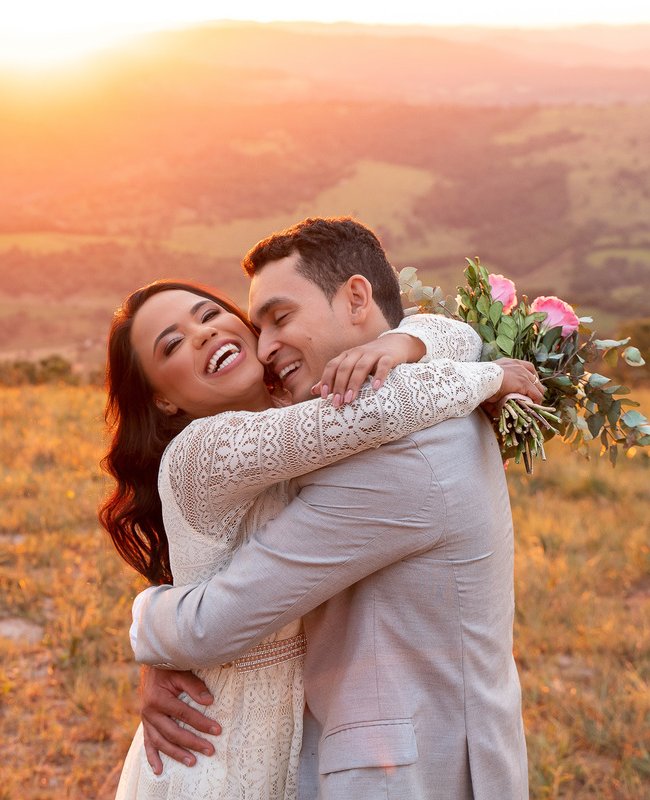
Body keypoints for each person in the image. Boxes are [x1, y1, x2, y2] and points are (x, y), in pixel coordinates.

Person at [129, 218, 532, 798]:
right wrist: (483, 373)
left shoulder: (399, 457)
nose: (264, 345)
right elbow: (395, 394)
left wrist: (148, 625)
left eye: (280, 318)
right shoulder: (226, 443)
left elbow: (210, 625)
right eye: (260, 324)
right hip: (226, 733)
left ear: (357, 299)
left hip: (405, 774)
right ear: (161, 399)